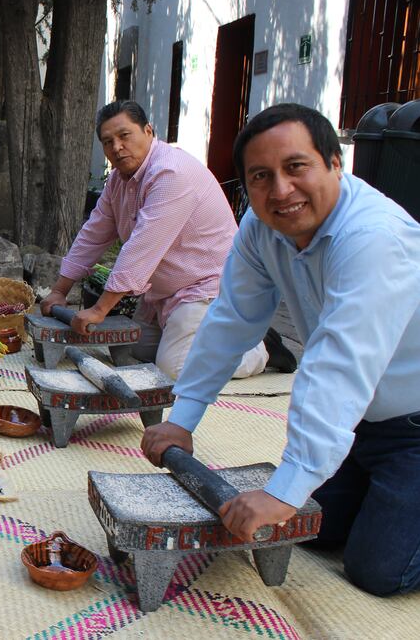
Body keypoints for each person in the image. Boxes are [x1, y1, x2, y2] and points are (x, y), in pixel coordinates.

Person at [142, 103, 420, 597]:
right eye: (261, 176)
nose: (281, 191)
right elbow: (230, 319)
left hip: (413, 424)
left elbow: (337, 364)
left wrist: (284, 491)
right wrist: (181, 418)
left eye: (296, 168)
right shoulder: (261, 226)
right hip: (364, 423)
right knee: (316, 531)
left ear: (335, 163)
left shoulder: (374, 238)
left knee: (378, 570)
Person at [39, 101, 296, 380]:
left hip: (207, 287)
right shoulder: (118, 180)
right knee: (136, 349)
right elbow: (94, 233)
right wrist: (60, 290)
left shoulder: (171, 173)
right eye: (107, 141)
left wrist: (100, 309)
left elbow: (142, 247)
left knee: (174, 368)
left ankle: (260, 349)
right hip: (164, 293)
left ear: (148, 131)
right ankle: (217, 340)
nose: (117, 147)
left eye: (125, 136)